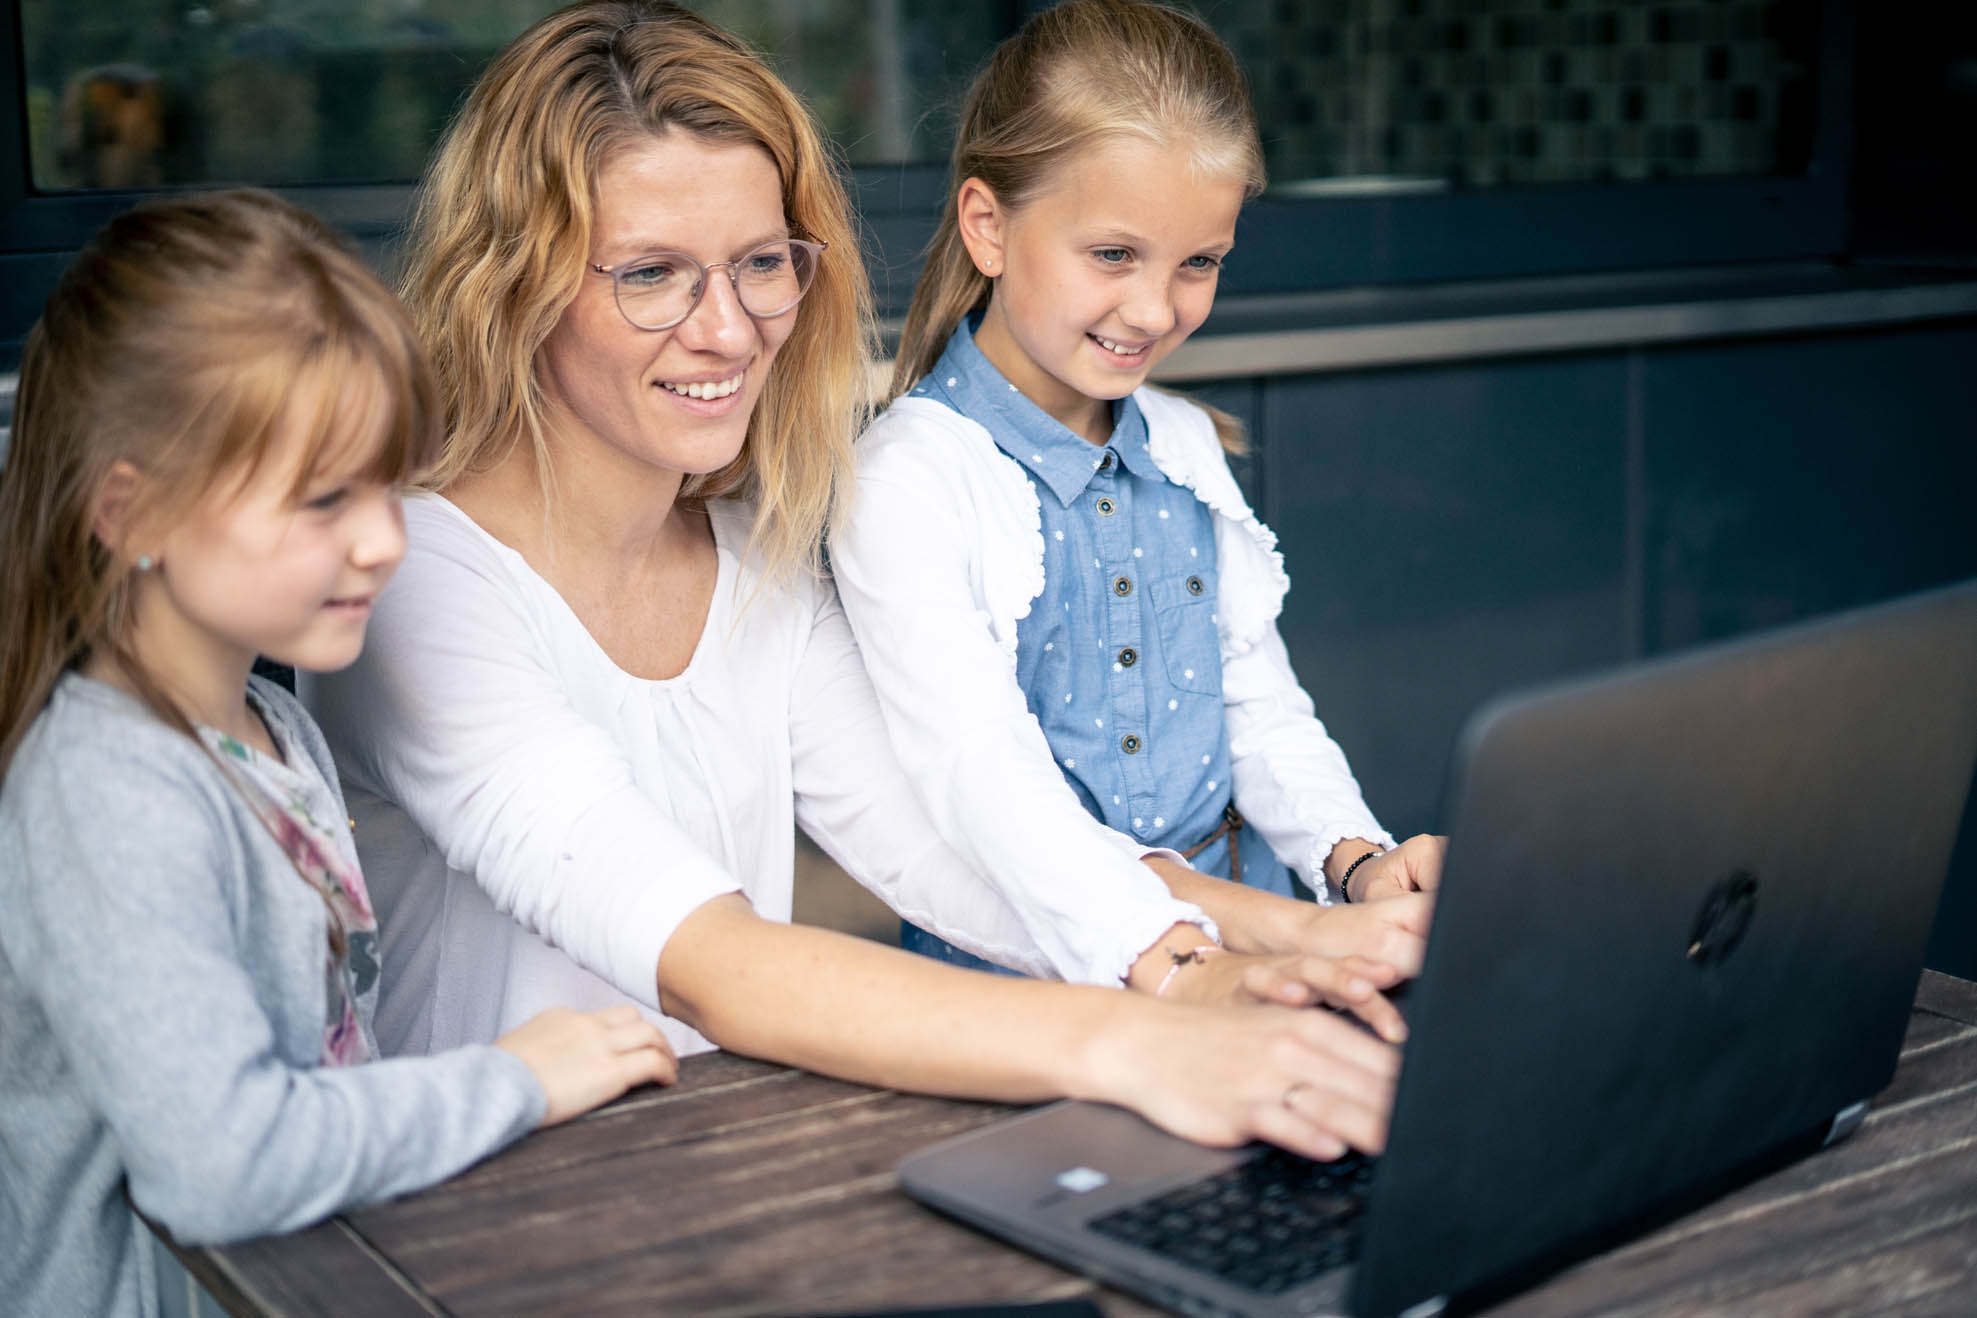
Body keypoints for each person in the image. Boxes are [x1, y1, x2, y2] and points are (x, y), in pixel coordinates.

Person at [305, 0, 1403, 1169]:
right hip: (470, 1224)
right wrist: (1141, 1036)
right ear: (515, 284)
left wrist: (1293, 943)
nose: (727, 330)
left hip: (704, 1173)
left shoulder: (755, 558)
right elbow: (718, 963)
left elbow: (950, 858)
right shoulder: (419, 578)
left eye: (760, 264)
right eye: (653, 274)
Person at [0, 191, 676, 1318]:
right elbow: (223, 1162)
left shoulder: (272, 728)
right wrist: (514, 1079)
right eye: (322, 500)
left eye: (384, 485)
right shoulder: (107, 790)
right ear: (131, 513)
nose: (381, 540)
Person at [830, 0, 1445, 983]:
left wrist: (1359, 865)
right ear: (987, 226)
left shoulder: (1187, 443)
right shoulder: (909, 485)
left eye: (1199, 263)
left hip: (1268, 959)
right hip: (1046, 992)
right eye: (1113, 254)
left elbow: (1259, 705)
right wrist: (1249, 940)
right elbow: (985, 786)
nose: (1157, 309)